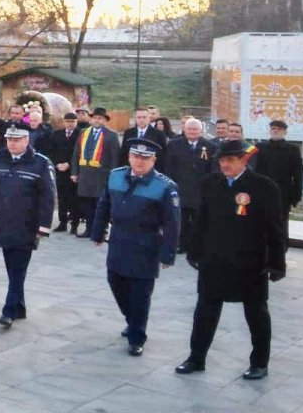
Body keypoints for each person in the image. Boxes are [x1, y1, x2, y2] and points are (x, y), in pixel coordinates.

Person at [176, 140, 287, 381]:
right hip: (214, 260)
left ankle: (259, 362)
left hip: (250, 263)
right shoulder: (210, 183)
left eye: (230, 160)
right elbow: (200, 221)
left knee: (256, 313)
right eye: (222, 160)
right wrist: (194, 251)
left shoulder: (263, 187)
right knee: (205, 310)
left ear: (243, 161)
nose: (225, 164)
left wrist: (277, 262)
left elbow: (275, 228)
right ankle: (196, 357)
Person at [91, 139, 180, 357]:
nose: (139, 161)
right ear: (129, 157)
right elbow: (104, 205)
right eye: (136, 157)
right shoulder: (115, 175)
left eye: (145, 158)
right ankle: (132, 320)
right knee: (116, 282)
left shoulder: (165, 186)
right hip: (119, 239)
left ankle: (137, 337)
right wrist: (97, 232)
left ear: (153, 160)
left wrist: (168, 254)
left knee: (140, 293)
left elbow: (172, 223)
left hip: (146, 243)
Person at [0, 126, 55, 328]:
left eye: (17, 140)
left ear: (27, 141)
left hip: (27, 225)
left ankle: (8, 311)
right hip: (4, 222)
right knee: (12, 267)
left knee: (18, 269)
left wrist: (44, 226)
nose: (12, 143)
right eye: (9, 139)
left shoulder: (40, 163)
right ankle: (19, 306)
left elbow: (48, 197)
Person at [164, 118, 217, 254]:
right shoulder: (174, 144)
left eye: (195, 129)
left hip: (200, 190)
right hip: (180, 188)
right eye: (190, 129)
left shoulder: (210, 146)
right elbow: (169, 167)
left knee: (198, 220)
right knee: (181, 220)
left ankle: (196, 247)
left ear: (201, 131)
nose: (192, 132)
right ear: (184, 130)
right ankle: (181, 245)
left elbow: (212, 170)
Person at [70, 107, 121, 238]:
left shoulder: (111, 135)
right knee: (86, 204)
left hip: (102, 175)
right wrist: (74, 172)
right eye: (95, 118)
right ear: (91, 119)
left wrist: (113, 176)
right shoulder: (83, 132)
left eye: (100, 118)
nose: (97, 120)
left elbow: (115, 157)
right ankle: (89, 228)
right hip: (85, 174)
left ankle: (101, 230)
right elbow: (76, 153)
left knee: (101, 204)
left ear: (104, 120)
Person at [256, 119, 303, 244]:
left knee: (281, 225)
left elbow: (298, 174)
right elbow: (254, 171)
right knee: (261, 224)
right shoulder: (260, 148)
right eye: (273, 129)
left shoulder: (292, 150)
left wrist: (296, 196)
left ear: (285, 132)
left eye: (279, 129)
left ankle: (280, 252)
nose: (275, 131)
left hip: (283, 194)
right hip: (262, 193)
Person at [50, 112, 81, 232]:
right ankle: (62, 223)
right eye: (68, 121)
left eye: (72, 122)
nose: (70, 124)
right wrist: (57, 164)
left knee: (74, 199)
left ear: (76, 122)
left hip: (73, 171)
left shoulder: (81, 134)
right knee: (62, 198)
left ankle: (74, 224)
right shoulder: (57, 134)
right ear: (64, 122)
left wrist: (69, 164)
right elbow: (51, 151)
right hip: (60, 170)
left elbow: (79, 152)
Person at [121, 107, 168, 171]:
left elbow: (163, 155)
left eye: (144, 117)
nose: (141, 120)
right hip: (131, 170)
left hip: (151, 171)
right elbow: (123, 153)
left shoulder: (159, 134)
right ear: (135, 118)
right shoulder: (128, 133)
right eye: (139, 117)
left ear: (149, 118)